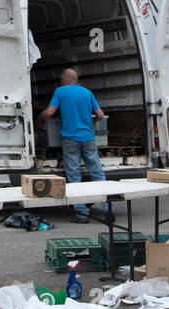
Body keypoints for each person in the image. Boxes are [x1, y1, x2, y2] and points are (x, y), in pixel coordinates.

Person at [37, 68, 108, 223]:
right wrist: (92, 121)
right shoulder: (87, 93)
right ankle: (108, 208)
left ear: (65, 80)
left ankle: (82, 214)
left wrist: (39, 120)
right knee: (97, 173)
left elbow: (49, 113)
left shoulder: (60, 92)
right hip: (89, 138)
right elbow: (101, 115)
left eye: (62, 80)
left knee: (74, 176)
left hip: (70, 140)